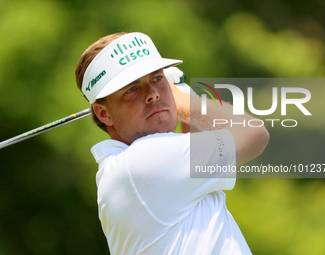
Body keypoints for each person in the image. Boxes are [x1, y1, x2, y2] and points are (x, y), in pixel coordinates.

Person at [75, 32, 269, 255]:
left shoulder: (126, 169)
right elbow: (254, 133)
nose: (153, 95)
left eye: (157, 78)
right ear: (103, 113)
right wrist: (181, 98)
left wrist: (182, 96)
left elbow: (192, 147)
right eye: (132, 89)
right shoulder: (142, 162)